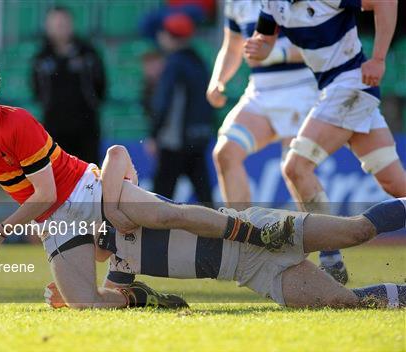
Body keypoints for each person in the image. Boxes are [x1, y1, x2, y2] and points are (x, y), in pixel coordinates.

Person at [0, 56, 293, 309]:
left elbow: (46, 192)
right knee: (82, 300)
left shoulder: (17, 124)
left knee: (171, 216)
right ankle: (136, 295)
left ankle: (251, 230)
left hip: (84, 189)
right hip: (53, 217)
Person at [45, 147, 406, 310]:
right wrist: (72, 294)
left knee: (357, 231)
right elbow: (105, 300)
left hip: (256, 229)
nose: (87, 251)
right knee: (342, 302)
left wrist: (107, 210)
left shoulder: (123, 204)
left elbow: (116, 154)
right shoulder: (120, 268)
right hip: (250, 270)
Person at [244, 0, 406, 280]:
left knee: (296, 167)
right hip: (341, 89)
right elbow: (264, 42)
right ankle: (331, 261)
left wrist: (378, 59)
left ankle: (331, 264)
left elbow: (386, 1)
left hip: (351, 85)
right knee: (396, 184)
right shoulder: (272, 4)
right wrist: (260, 49)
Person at [207, 1, 348, 283]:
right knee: (226, 153)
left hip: (301, 90)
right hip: (260, 93)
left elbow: (322, 44)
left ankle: (330, 252)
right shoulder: (236, 3)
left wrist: (274, 52)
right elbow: (233, 46)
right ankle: (245, 242)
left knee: (295, 169)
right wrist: (218, 80)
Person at [147, 13, 214, 204]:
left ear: (168, 36)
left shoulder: (174, 64)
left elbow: (164, 102)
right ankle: (219, 231)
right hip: (198, 138)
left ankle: (154, 233)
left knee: (160, 197)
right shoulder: (199, 62)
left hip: (174, 141)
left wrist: (154, 133)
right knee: (205, 196)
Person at [31, 6, 106, 165]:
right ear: (48, 27)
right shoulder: (41, 57)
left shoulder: (88, 53)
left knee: (89, 175)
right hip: (54, 126)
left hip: (86, 127)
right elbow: (36, 89)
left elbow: (101, 86)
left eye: (63, 24)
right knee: (58, 175)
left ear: (71, 25)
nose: (60, 28)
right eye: (56, 24)